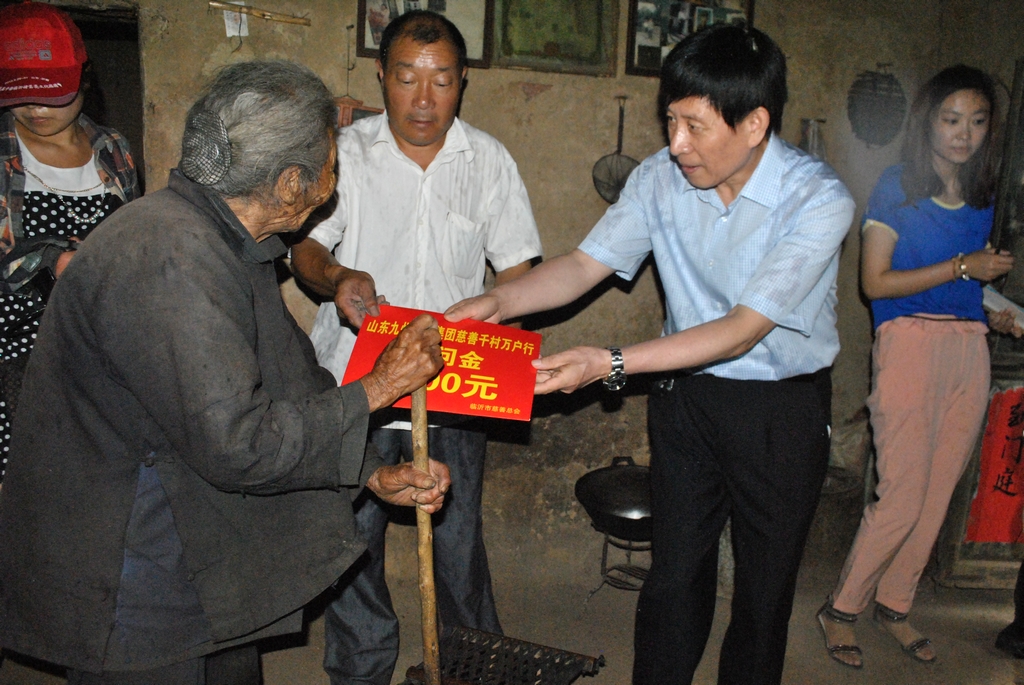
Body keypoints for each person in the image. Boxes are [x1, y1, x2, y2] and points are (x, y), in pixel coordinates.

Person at [0, 59, 452, 684]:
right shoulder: (171, 257)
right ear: (290, 183)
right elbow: (241, 444)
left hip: (200, 551)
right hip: (134, 572)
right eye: (331, 164)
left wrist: (372, 470)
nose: (333, 181)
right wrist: (381, 387)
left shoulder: (226, 239)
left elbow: (293, 379)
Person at [446, 24, 855, 685]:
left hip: (780, 411)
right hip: (686, 396)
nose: (676, 143)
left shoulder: (818, 199)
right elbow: (585, 264)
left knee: (764, 589)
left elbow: (742, 329)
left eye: (695, 126)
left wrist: (607, 363)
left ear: (755, 123)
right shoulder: (660, 179)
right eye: (670, 121)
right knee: (673, 575)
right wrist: (499, 300)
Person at [289, 10, 542, 685]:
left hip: (456, 387)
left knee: (456, 541)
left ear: (463, 82)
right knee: (352, 541)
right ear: (381, 75)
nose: (424, 100)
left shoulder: (488, 161)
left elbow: (518, 272)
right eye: (406, 79)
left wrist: (504, 338)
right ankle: (362, 667)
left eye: (442, 81)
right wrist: (338, 277)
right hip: (357, 381)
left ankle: (468, 666)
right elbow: (305, 248)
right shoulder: (345, 154)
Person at [818, 65, 1013, 668]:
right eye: (951, 120)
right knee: (902, 494)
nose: (964, 134)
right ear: (928, 121)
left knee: (937, 493)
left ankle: (896, 605)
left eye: (977, 121)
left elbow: (970, 284)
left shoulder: (983, 198)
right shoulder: (896, 186)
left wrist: (996, 307)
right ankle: (840, 609)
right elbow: (875, 283)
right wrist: (963, 267)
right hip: (907, 344)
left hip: (969, 348)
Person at [0, 1, 139, 487]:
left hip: (97, 354)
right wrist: (51, 259)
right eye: (20, 94)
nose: (36, 109)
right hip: (14, 357)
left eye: (50, 94)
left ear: (83, 78)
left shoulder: (113, 150)